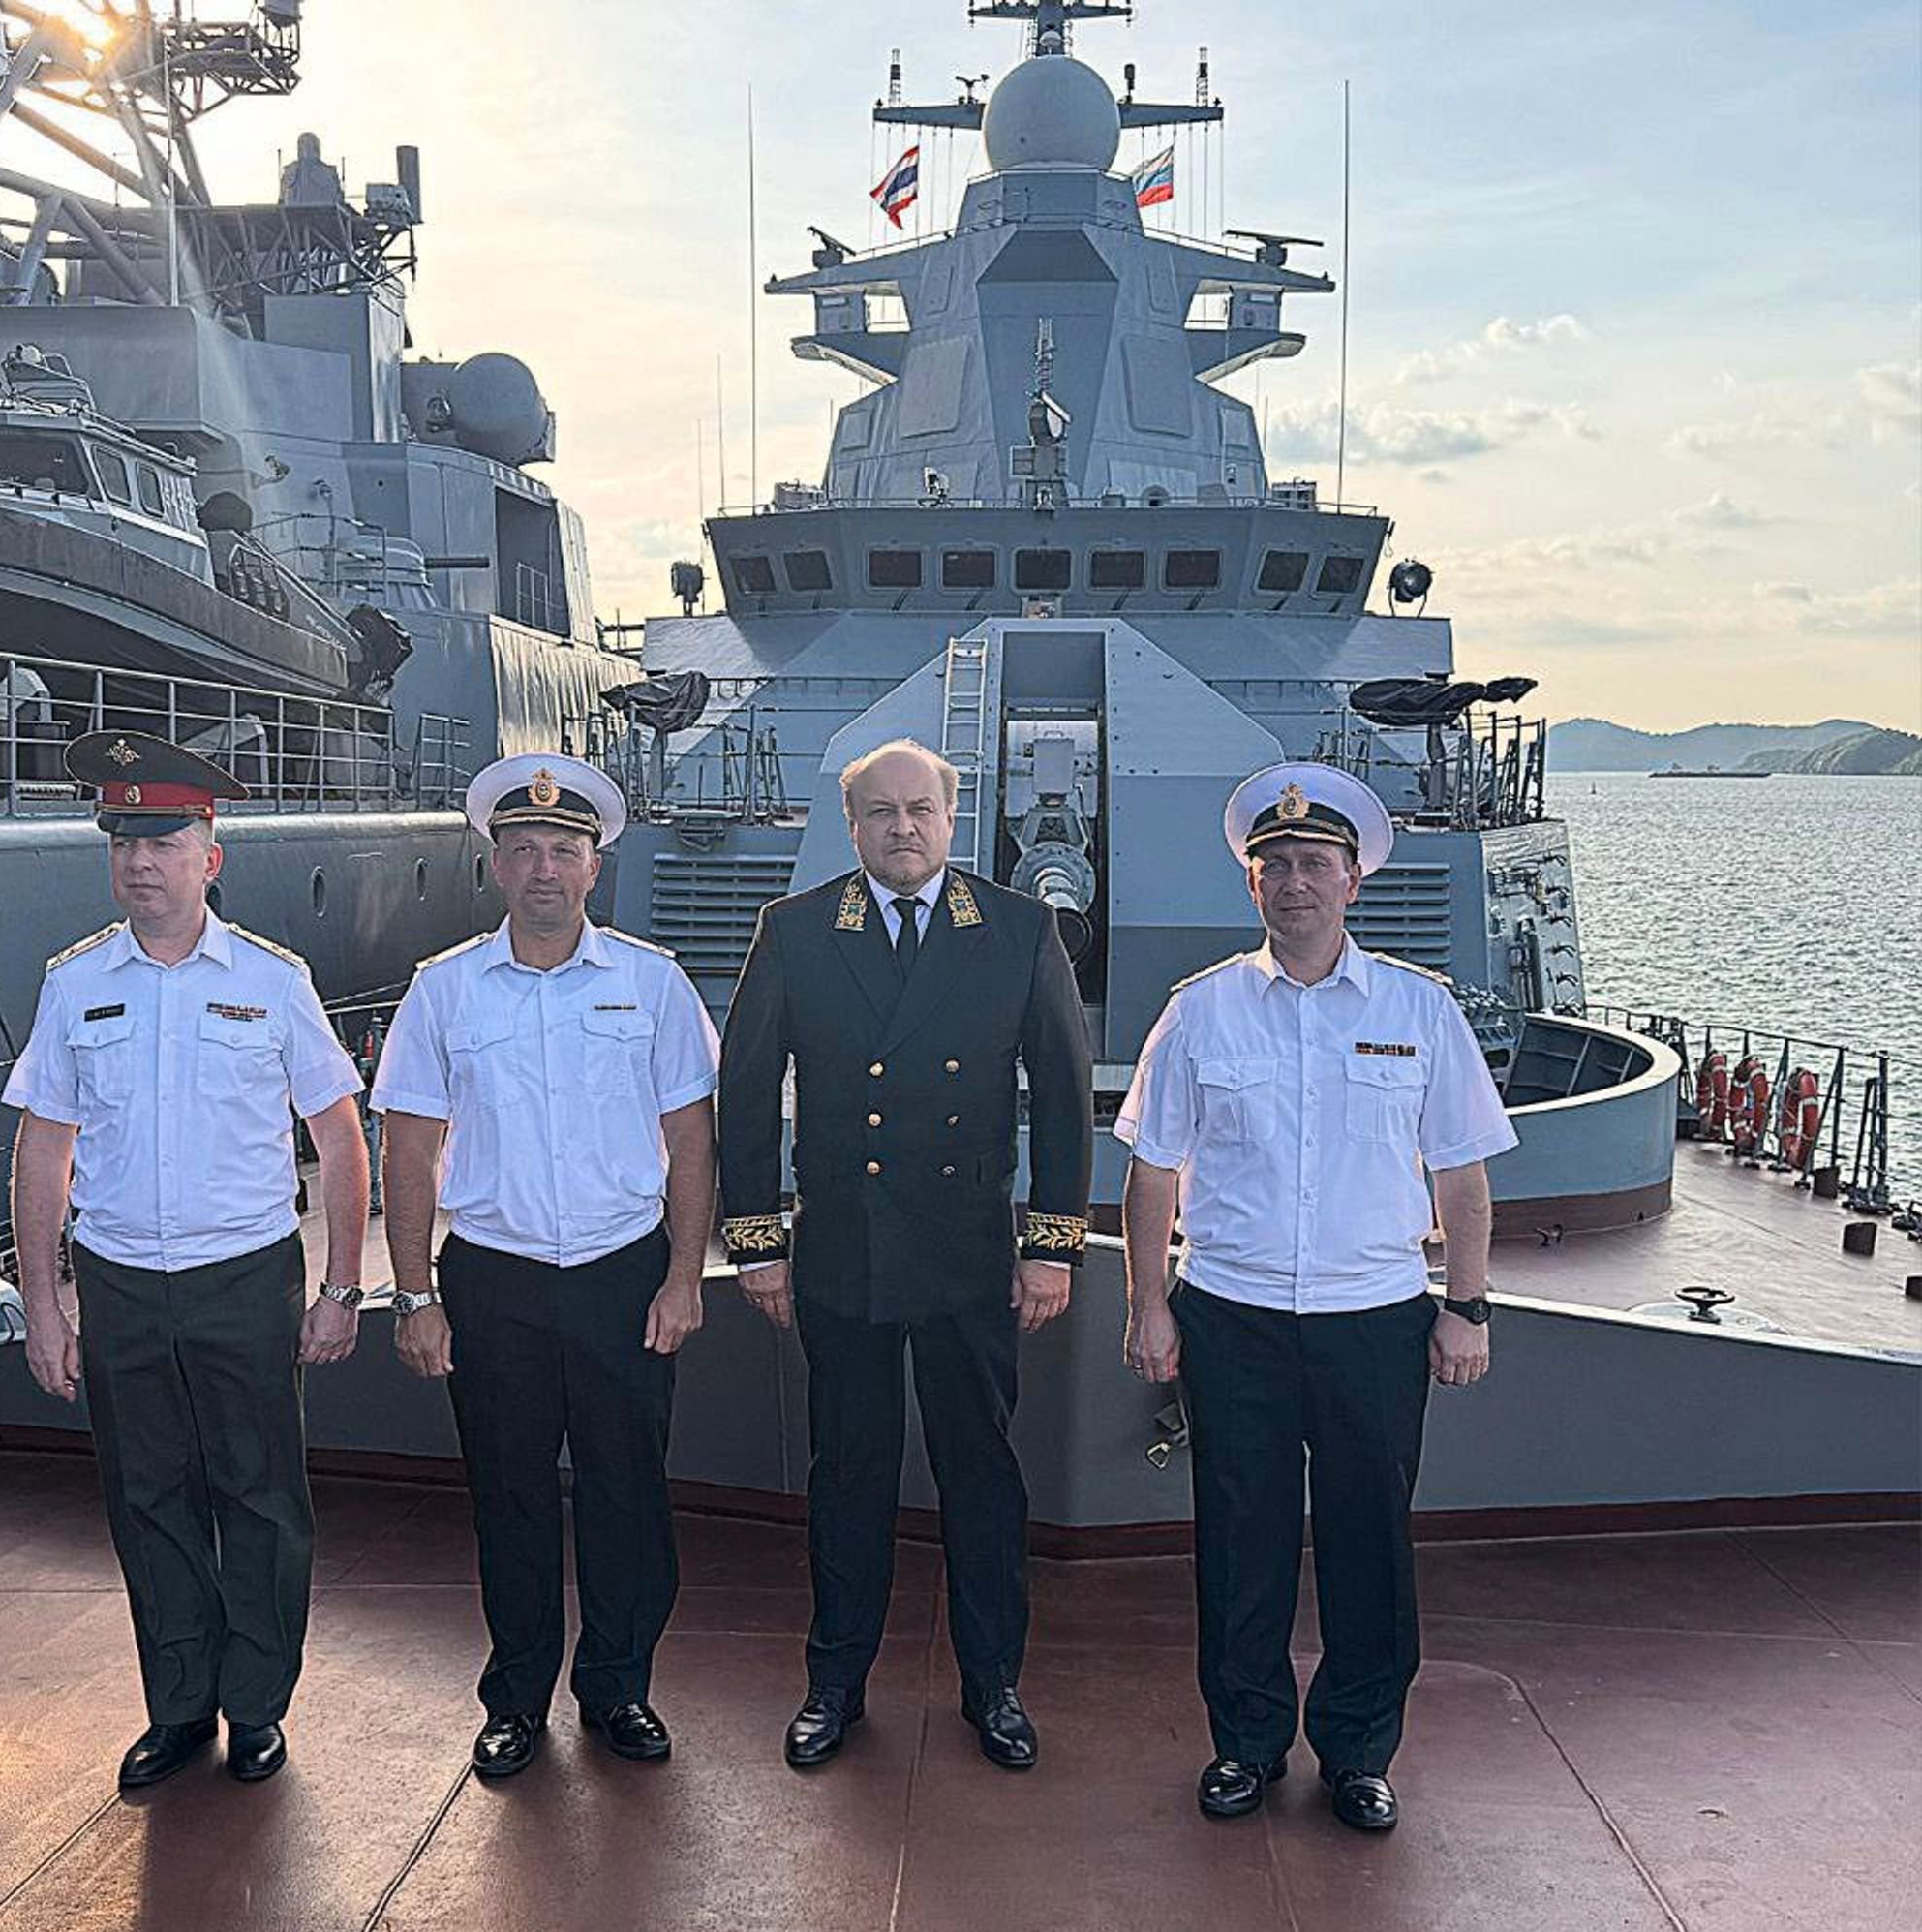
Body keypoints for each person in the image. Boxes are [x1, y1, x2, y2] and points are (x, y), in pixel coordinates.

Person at [1114, 761, 1517, 1833]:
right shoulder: (1198, 1013)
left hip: (1373, 1318)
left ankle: (1358, 1752)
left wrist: (1466, 1305)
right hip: (1232, 1313)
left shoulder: (1419, 1010)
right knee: (1237, 1537)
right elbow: (1152, 1171)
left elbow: (1462, 1172)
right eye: (1277, 865)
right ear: (1251, 884)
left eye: (1315, 864)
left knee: (1368, 1541)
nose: (1295, 882)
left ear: (1352, 880)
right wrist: (1148, 1304)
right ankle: (1245, 1744)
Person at [6, 729, 371, 1793]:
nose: (139, 863)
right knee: (148, 1498)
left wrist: (342, 1286)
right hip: (120, 1281)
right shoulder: (74, 984)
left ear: (209, 856)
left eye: (162, 843)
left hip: (243, 1277)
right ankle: (177, 1705)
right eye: (123, 843)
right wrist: (44, 1305)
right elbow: (43, 1146)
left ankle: (255, 1706)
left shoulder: (273, 980)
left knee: (260, 1499)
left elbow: (340, 1135)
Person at [718, 738, 1093, 1771]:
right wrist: (756, 1240)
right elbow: (745, 1092)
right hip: (844, 1252)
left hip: (969, 1254)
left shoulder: (1016, 929)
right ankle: (835, 1682)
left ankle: (993, 1682)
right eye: (880, 811)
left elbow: (1065, 1096)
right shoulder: (796, 930)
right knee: (850, 1474)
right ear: (852, 826)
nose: (902, 828)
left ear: (950, 816)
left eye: (920, 808)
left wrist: (1052, 1245)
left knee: (982, 1475)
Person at [372, 753, 719, 1780]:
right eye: (522, 849)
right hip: (496, 1279)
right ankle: (516, 1699)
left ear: (593, 868)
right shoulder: (444, 990)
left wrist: (684, 1277)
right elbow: (408, 1149)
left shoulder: (651, 984)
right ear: (495, 864)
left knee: (627, 1493)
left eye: (563, 850)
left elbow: (691, 1140)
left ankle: (617, 1688)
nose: (543, 869)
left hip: (623, 1274)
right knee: (509, 1496)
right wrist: (415, 1295)